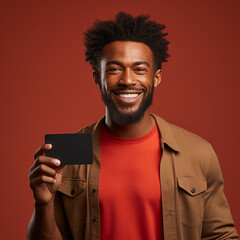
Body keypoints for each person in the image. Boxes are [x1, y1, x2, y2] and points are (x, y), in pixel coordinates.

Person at [27, 12, 239, 240]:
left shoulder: (198, 153)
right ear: (97, 78)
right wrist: (43, 203)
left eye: (139, 69)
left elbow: (221, 236)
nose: (128, 80)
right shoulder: (66, 157)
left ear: (156, 78)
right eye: (114, 69)